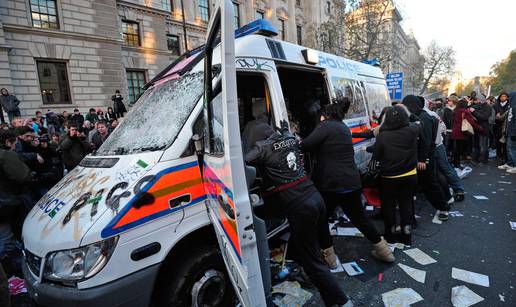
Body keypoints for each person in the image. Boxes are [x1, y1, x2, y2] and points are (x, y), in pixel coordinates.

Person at [245, 121, 352, 307]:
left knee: (312, 261)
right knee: (306, 243)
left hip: (301, 206)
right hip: (314, 196)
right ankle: (299, 266)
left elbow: (243, 161)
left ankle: (340, 301)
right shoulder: (288, 138)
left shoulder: (263, 148)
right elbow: (293, 139)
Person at [301, 99, 394, 265]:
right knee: (360, 219)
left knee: (321, 220)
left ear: (325, 115)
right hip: (351, 182)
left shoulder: (326, 126)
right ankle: (385, 251)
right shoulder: (343, 127)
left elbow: (306, 145)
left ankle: (329, 259)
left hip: (331, 184)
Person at [373, 105, 420, 244]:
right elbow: (419, 121)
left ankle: (390, 236)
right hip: (410, 175)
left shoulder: (382, 136)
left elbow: (376, 156)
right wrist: (408, 112)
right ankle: (406, 236)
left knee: (389, 208)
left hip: (389, 178)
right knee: (406, 205)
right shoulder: (412, 130)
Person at [402, 95, 451, 221]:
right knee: (421, 182)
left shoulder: (424, 118)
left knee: (430, 183)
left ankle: (443, 207)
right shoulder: (420, 115)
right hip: (420, 156)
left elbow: (426, 141)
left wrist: (422, 159)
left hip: (424, 157)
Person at [0, 129, 32, 277]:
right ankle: (21, 269)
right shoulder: (6, 155)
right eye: (15, 143)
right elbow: (23, 175)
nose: (15, 146)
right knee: (7, 239)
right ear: (8, 142)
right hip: (5, 204)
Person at [451, 99, 484, 168]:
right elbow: (471, 122)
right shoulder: (464, 112)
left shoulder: (455, 111)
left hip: (455, 132)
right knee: (460, 149)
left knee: (456, 148)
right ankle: (457, 164)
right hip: (463, 132)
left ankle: (455, 163)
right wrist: (480, 128)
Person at [470, 97, 492, 164]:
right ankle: (476, 159)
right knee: (476, 145)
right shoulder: (476, 106)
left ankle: (483, 160)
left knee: (483, 146)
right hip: (476, 128)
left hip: (483, 129)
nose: (479, 100)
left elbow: (484, 117)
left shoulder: (488, 107)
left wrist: (474, 112)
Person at [493, 92, 510, 165]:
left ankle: (504, 156)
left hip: (505, 126)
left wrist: (501, 116)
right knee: (498, 141)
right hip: (497, 125)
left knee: (504, 142)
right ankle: (498, 154)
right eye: (501, 96)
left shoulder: (509, 105)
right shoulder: (496, 105)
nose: (503, 97)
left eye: (504, 96)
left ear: (507, 97)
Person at [504, 92, 516, 173]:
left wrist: (514, 133)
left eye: (509, 97)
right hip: (509, 131)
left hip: (513, 132)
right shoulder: (511, 107)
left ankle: (515, 165)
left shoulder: (515, 107)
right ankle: (510, 163)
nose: (508, 98)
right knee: (509, 148)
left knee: (512, 149)